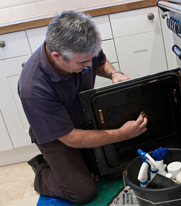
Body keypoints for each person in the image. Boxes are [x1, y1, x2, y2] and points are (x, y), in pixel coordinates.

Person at [18, 10, 148, 204]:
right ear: (57, 56)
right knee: (82, 192)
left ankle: (83, 163)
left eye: (91, 58)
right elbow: (70, 137)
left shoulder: (82, 49)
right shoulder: (33, 87)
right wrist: (121, 134)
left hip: (83, 117)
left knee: (117, 168)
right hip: (56, 134)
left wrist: (114, 73)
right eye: (83, 62)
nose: (90, 65)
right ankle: (41, 170)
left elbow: (100, 62)